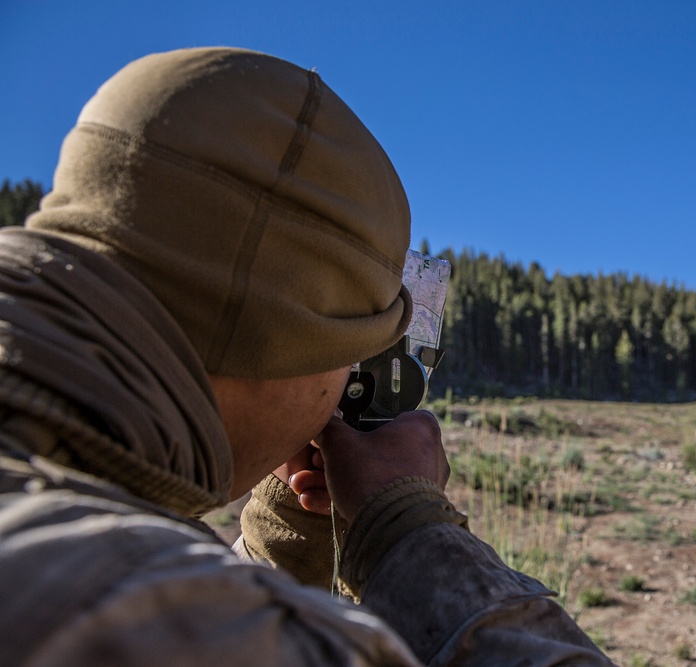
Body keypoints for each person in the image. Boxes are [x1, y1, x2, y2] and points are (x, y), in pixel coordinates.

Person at [0, 47, 614, 666]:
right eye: (353, 351)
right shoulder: (148, 607)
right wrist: (407, 528)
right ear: (292, 341)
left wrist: (282, 528)